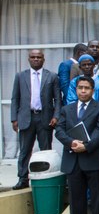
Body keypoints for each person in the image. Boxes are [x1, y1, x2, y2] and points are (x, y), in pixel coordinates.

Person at [55, 76, 99, 214]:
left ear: (93, 90)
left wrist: (87, 145)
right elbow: (59, 130)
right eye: (80, 88)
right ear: (76, 90)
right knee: (76, 198)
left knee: (98, 198)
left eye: (87, 88)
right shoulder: (67, 109)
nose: (83, 91)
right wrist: (71, 142)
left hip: (93, 158)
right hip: (73, 160)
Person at [10, 49, 61, 190]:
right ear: (29, 59)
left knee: (46, 151)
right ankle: (22, 178)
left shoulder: (52, 77)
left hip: (45, 118)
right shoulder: (20, 76)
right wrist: (14, 118)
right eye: (33, 57)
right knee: (25, 150)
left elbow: (58, 99)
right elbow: (15, 98)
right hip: (26, 118)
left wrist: (56, 116)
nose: (36, 59)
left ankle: (46, 179)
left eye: (39, 57)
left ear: (43, 59)